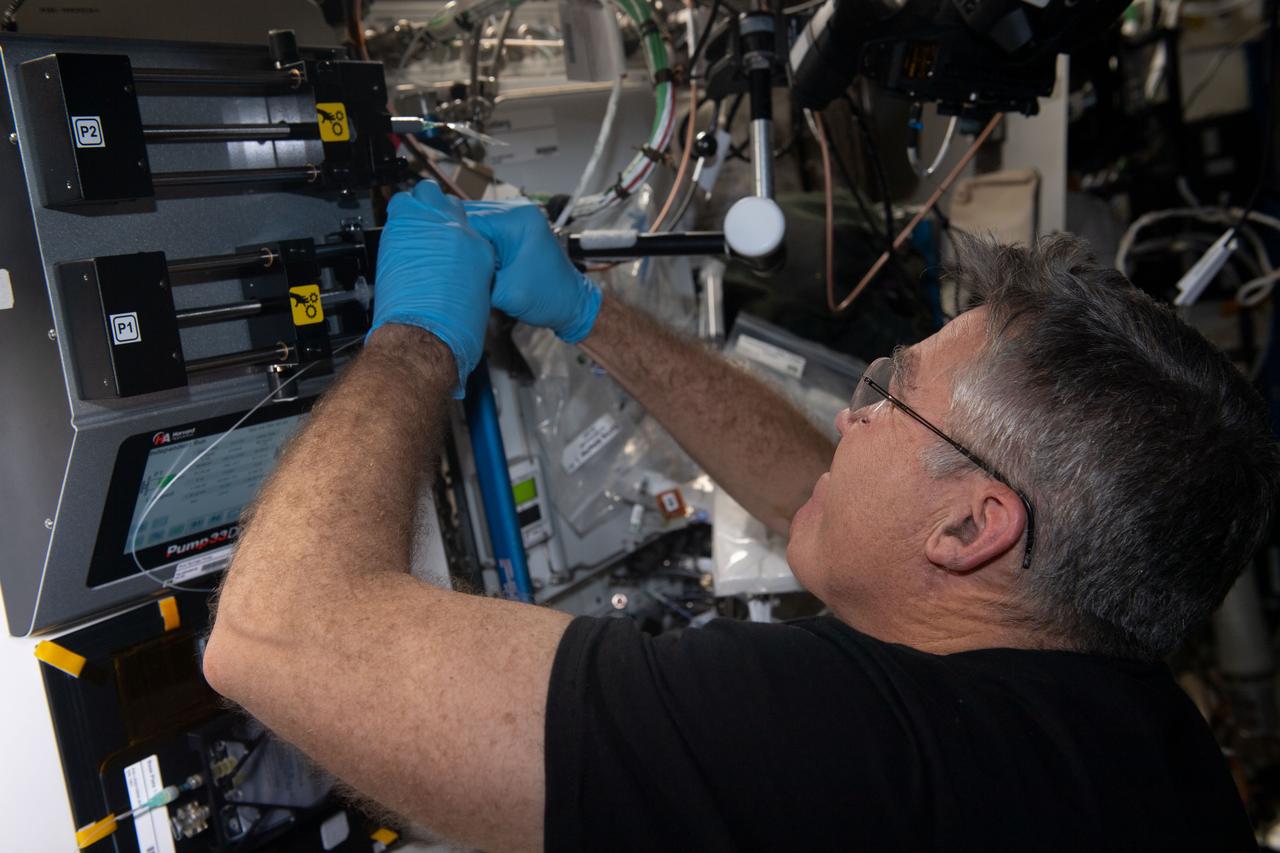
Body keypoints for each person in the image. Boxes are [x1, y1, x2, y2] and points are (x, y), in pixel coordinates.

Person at [203, 180, 1279, 852]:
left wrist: (415, 340)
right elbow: (824, 500)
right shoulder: (1127, 729)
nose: (848, 415)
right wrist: (589, 314)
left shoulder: (853, 754)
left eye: (882, 393)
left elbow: (278, 633)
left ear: (970, 529)